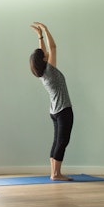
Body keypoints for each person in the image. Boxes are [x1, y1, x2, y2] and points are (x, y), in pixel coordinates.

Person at [29, 22, 74, 181]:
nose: (47, 53)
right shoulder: (50, 71)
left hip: (55, 111)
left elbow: (44, 51)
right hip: (63, 111)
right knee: (62, 141)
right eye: (44, 54)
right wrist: (47, 30)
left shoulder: (43, 72)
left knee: (57, 141)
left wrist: (40, 36)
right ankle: (56, 174)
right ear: (43, 59)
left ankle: (53, 172)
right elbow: (53, 48)